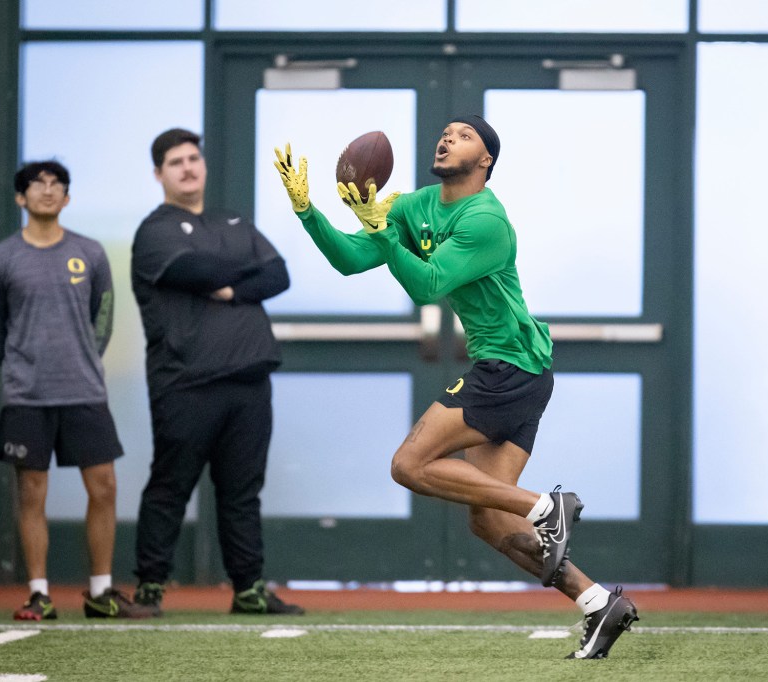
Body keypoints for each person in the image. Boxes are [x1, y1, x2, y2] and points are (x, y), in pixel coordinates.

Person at [274, 116, 638, 659]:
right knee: (488, 519)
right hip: (518, 373)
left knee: (408, 465)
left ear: (486, 160)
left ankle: (547, 506)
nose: (447, 139)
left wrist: (379, 230)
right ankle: (595, 602)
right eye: (445, 133)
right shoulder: (412, 206)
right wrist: (308, 212)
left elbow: (427, 285)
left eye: (464, 135)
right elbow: (351, 262)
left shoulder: (487, 218)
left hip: (510, 366)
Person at [130, 128, 302, 617]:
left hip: (249, 378)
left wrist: (228, 286)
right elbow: (194, 271)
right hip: (185, 381)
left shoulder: (231, 219)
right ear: (159, 174)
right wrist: (242, 274)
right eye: (176, 162)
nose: (188, 167)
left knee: (242, 492)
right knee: (170, 486)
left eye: (193, 159)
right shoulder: (155, 231)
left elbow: (279, 275)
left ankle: (248, 589)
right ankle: (149, 589)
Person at [0, 160, 153, 620]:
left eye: (58, 185)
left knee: (105, 487)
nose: (48, 190)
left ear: (68, 198)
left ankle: (100, 591)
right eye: (38, 184)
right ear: (21, 198)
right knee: (32, 492)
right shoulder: (1, 259)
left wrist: (81, 360)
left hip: (84, 392)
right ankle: (38, 592)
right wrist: (23, 367)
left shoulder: (90, 253)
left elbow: (104, 316)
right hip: (27, 396)